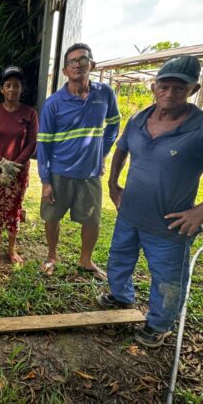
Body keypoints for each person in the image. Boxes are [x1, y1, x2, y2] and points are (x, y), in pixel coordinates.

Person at [98, 55, 203, 348]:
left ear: (193, 89)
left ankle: (158, 324)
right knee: (119, 258)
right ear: (154, 87)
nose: (169, 93)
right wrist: (114, 184)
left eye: (179, 88)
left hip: (170, 224)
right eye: (164, 86)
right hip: (130, 213)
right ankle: (120, 295)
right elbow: (121, 149)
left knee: (167, 276)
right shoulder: (139, 119)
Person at [37, 43, 120, 280]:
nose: (78, 64)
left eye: (83, 60)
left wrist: (101, 153)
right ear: (65, 71)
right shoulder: (53, 103)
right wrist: (45, 179)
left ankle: (86, 260)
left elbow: (114, 124)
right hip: (59, 172)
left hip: (90, 173)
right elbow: (43, 142)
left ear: (92, 65)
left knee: (92, 219)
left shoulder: (105, 94)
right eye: (72, 61)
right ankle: (52, 256)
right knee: (52, 216)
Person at [0, 66, 38, 267]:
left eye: (16, 85)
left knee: (15, 210)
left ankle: (11, 249)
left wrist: (14, 166)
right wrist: (0, 161)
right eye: (8, 85)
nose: (12, 89)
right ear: (2, 89)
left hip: (18, 172)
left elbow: (32, 143)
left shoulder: (30, 113)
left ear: (21, 89)